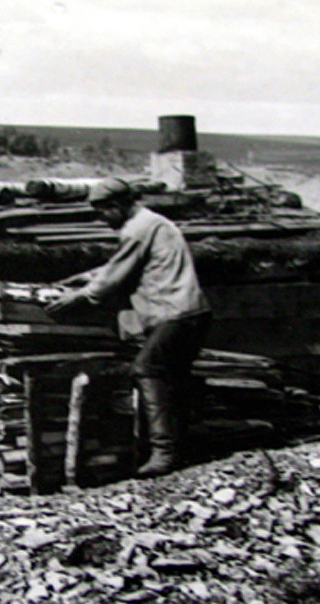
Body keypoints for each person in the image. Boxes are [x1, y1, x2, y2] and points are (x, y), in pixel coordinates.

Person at [46, 177, 211, 477]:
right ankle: (180, 447)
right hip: (187, 312)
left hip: (174, 313)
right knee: (173, 379)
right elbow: (124, 264)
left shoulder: (138, 228)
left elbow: (115, 276)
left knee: (147, 369)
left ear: (120, 204)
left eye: (103, 211)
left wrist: (81, 295)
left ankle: (165, 454)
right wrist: (84, 276)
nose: (101, 218)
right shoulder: (151, 224)